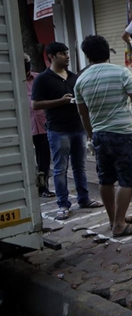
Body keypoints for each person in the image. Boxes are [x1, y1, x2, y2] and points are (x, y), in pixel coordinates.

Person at [74, 35, 132, 236]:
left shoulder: (80, 80)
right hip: (122, 135)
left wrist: (91, 135)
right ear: (108, 52)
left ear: (87, 55)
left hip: (99, 135)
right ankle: (119, 224)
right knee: (127, 180)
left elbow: (83, 114)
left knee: (106, 179)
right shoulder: (121, 73)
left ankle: (114, 219)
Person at [31, 42, 102, 220]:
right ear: (52, 57)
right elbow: (36, 104)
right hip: (57, 130)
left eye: (67, 53)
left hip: (78, 128)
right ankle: (63, 204)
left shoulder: (73, 77)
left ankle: (84, 199)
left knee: (80, 167)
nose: (67, 56)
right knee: (60, 168)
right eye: (62, 54)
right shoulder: (43, 78)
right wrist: (60, 101)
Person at [24, 54, 54, 198]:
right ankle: (28, 187)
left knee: (44, 157)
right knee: (26, 158)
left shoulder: (39, 78)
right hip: (24, 127)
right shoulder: (12, 81)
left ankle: (43, 187)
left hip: (42, 124)